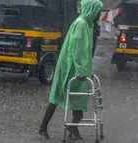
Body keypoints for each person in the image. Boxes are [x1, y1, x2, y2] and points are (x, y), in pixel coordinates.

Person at [37, 0, 103, 140]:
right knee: (57, 95)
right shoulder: (81, 25)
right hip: (70, 66)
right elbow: (78, 49)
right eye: (99, 11)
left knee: (78, 97)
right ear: (92, 10)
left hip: (78, 67)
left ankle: (73, 126)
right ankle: (42, 128)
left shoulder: (87, 25)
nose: (100, 15)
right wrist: (81, 70)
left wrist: (85, 69)